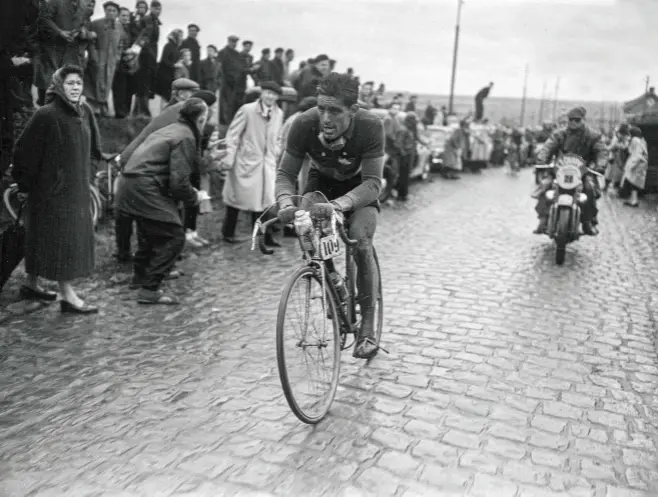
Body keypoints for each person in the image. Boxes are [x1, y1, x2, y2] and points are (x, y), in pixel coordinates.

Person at [276, 73, 385, 360]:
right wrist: (286, 202)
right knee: (307, 231)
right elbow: (286, 174)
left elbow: (374, 183)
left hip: (359, 189)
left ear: (353, 109)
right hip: (321, 184)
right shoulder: (303, 123)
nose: (326, 117)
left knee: (361, 243)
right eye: (322, 108)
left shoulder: (371, 125)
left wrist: (340, 205)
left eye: (335, 111)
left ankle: (368, 330)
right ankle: (333, 279)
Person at [11, 65, 102, 313]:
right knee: (58, 240)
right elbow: (23, 152)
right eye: (70, 83)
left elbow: (95, 149)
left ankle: (32, 286)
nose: (75, 87)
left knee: (53, 239)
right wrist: (25, 185)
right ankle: (66, 295)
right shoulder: (46, 115)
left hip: (76, 190)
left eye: (79, 83)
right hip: (49, 192)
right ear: (59, 85)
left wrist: (90, 174)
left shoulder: (84, 112)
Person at [115, 98, 209, 305]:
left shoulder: (173, 128)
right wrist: (195, 197)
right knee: (175, 236)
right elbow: (178, 183)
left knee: (150, 233)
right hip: (144, 186)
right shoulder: (186, 137)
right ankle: (150, 288)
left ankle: (140, 278)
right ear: (201, 120)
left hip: (128, 184)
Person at [220, 81, 285, 246]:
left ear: (277, 97)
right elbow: (233, 135)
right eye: (267, 92)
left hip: (267, 163)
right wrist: (229, 157)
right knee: (237, 198)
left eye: (274, 94)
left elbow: (278, 137)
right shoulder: (247, 110)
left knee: (265, 201)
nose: (270, 96)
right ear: (261, 93)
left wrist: (275, 151)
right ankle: (228, 232)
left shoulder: (278, 113)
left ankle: (264, 236)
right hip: (247, 161)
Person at [533, 106, 607, 236]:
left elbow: (601, 151)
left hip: (583, 172)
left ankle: (587, 222)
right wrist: (542, 159)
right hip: (560, 170)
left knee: (590, 189)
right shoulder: (559, 134)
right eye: (571, 120)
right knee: (546, 185)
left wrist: (600, 164)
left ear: (583, 120)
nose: (573, 122)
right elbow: (548, 147)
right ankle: (543, 219)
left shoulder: (593, 136)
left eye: (577, 120)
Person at [620, 126, 648, 208]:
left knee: (633, 183)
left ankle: (634, 201)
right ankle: (633, 200)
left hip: (637, 164)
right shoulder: (641, 140)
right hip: (640, 164)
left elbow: (635, 153)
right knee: (633, 182)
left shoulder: (635, 140)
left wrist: (631, 166)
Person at [603, 123, 630, 193]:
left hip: (618, 157)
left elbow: (616, 146)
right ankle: (611, 186)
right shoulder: (623, 136)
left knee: (612, 172)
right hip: (616, 157)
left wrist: (609, 147)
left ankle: (611, 186)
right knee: (612, 172)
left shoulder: (623, 137)